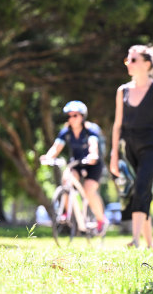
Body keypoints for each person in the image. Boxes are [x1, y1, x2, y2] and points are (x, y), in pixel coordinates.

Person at [110, 44, 153, 249]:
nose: (129, 63)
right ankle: (150, 244)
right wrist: (113, 155)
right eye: (128, 59)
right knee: (139, 192)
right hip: (127, 149)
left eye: (133, 59)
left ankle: (135, 240)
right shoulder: (122, 90)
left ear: (147, 63)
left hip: (150, 148)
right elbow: (117, 125)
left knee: (142, 189)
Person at [40, 101, 109, 236]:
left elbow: (93, 144)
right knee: (67, 179)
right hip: (77, 163)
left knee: (89, 191)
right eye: (69, 116)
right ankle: (66, 212)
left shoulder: (90, 130)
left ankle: (101, 220)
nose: (71, 118)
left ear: (82, 116)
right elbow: (56, 147)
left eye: (75, 115)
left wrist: (93, 155)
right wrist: (48, 157)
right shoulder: (66, 131)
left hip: (93, 164)